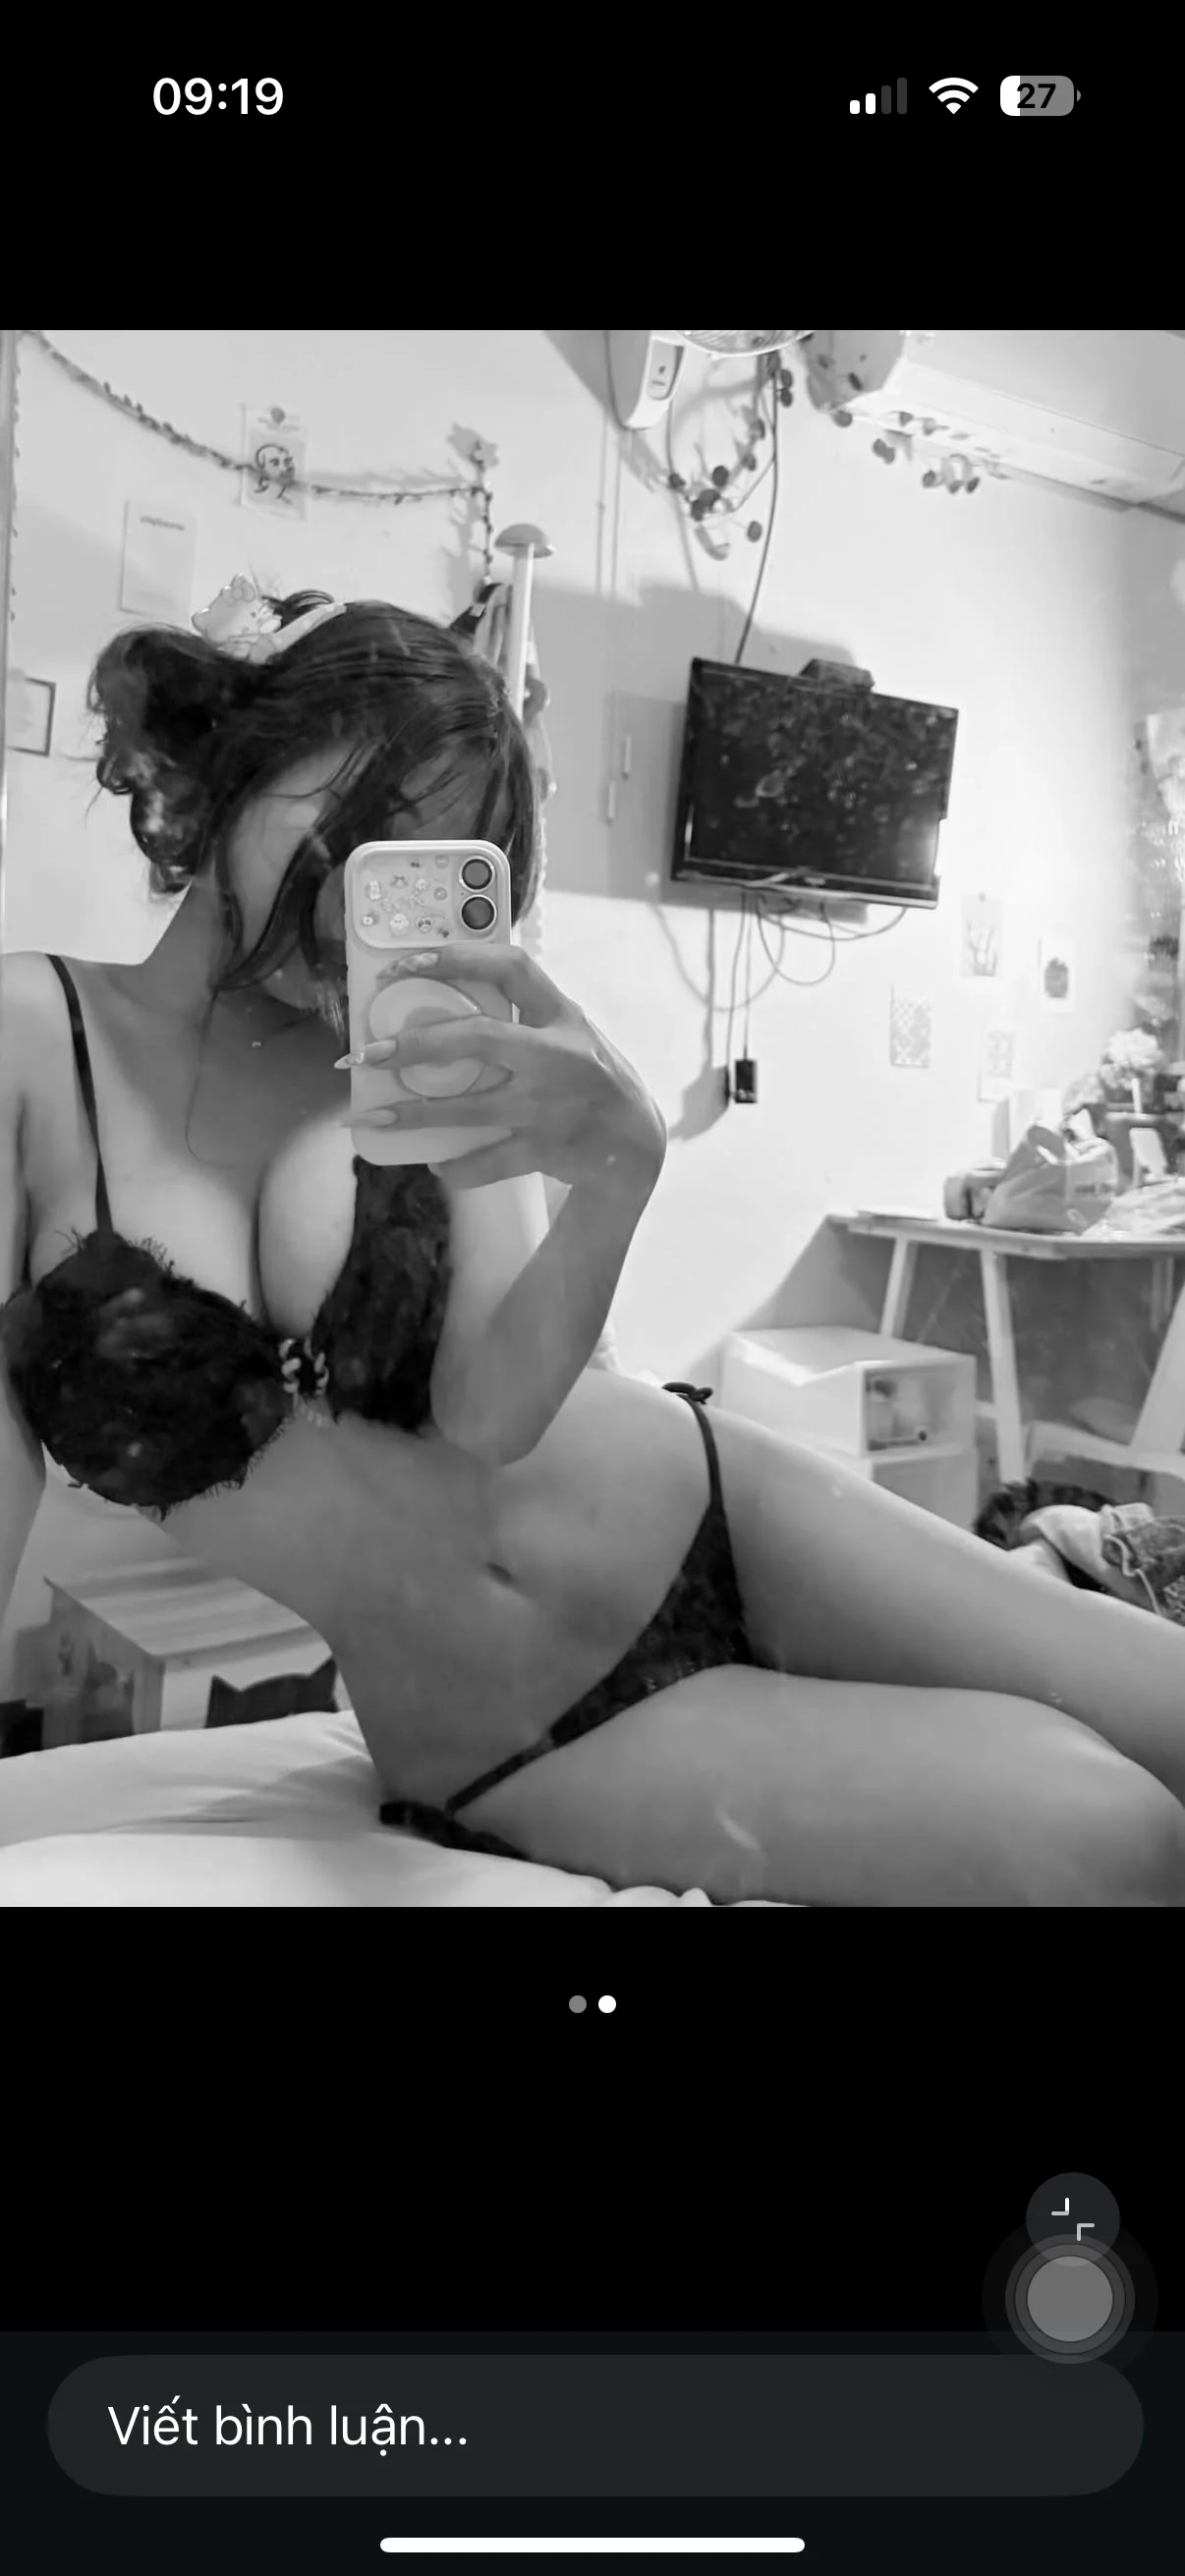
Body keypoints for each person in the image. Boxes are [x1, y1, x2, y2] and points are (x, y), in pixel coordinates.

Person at [2, 584, 1185, 1908]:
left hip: (718, 1500)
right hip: (523, 1728)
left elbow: (494, 1411)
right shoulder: (29, 1043)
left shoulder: (419, 1050)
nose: (367, 899)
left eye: (435, 865)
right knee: (1115, 1832)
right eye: (368, 821)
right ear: (246, 750)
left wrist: (622, 1171)